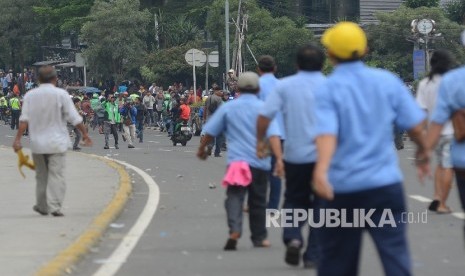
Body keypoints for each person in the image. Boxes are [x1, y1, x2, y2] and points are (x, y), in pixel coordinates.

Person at [313, 22, 427, 276]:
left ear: (330, 55)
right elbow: (416, 126)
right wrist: (424, 152)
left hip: (340, 190)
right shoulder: (388, 81)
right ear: (365, 49)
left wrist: (321, 170)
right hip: (384, 187)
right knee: (395, 256)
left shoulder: (327, 89)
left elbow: (326, 134)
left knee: (336, 262)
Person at [197, 72, 283, 250]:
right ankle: (259, 238)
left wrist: (202, 149)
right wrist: (280, 160)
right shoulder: (264, 108)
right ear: (258, 89)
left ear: (238, 88)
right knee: (258, 200)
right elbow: (274, 135)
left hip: (238, 163)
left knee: (235, 197)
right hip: (260, 162)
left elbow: (210, 131)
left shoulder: (229, 108)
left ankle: (235, 229)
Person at [257, 45, 325, 268]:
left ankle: (293, 237)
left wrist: (260, 140)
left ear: (296, 65)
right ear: (323, 64)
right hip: (326, 158)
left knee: (295, 199)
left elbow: (265, 116)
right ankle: (313, 255)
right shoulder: (332, 86)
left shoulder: (285, 86)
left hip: (295, 156)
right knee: (321, 206)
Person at [12, 65, 92, 217]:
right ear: (55, 79)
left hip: (37, 143)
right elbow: (74, 118)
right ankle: (55, 206)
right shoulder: (61, 95)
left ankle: (42, 206)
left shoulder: (30, 95)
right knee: (57, 175)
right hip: (57, 142)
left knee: (41, 175)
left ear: (38, 79)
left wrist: (17, 140)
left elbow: (24, 121)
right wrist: (85, 134)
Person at [425, 30, 465, 243]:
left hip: (453, 142)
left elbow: (430, 117)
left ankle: (439, 198)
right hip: (451, 137)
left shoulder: (452, 81)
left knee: (443, 166)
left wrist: (424, 150)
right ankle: (440, 199)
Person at [416, 49, 455, 213]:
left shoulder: (425, 84)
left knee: (440, 165)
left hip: (433, 133)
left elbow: (422, 112)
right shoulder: (453, 81)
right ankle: (442, 203)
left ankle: (437, 196)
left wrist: (422, 136)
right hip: (453, 132)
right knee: (448, 167)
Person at [257, 55, 285, 211]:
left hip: (263, 133)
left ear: (258, 69)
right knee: (275, 169)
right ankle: (273, 206)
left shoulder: (256, 86)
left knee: (259, 169)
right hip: (281, 134)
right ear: (275, 68)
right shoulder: (283, 86)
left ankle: (257, 202)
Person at [204, 86, 224, 157]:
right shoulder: (219, 99)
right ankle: (217, 152)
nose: (221, 93)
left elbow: (205, 109)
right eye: (220, 91)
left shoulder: (208, 98)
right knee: (219, 136)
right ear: (216, 91)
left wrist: (204, 119)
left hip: (209, 119)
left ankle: (210, 146)